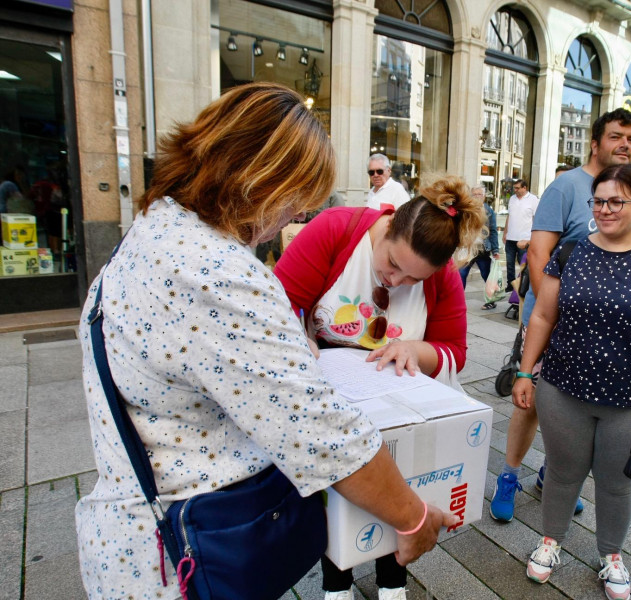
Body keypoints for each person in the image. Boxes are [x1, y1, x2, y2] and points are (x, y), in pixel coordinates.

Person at [75, 83, 455, 600]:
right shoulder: (216, 274)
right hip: (184, 559)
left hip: (134, 534)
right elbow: (319, 433)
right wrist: (412, 518)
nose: (291, 220)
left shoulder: (154, 228)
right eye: (295, 201)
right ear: (263, 182)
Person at [273, 175, 484, 600]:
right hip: (331, 393)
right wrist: (300, 336)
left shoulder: (441, 277)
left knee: (402, 486)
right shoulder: (336, 230)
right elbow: (278, 300)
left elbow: (454, 350)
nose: (396, 282)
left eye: (412, 279)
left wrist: (415, 350)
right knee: (333, 488)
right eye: (391, 264)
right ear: (388, 225)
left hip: (397, 400)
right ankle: (336, 582)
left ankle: (393, 581)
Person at [512, 164, 631, 598]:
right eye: (598, 201)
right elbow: (542, 315)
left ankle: (611, 553)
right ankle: (551, 540)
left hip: (630, 401)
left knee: (616, 483)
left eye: (617, 201)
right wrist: (524, 370)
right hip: (562, 390)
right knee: (561, 472)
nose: (605, 209)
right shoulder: (571, 252)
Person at [490, 109, 631, 522]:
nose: (624, 144)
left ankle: (551, 476)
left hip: (594, 333)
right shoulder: (567, 186)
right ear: (595, 143)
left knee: (571, 407)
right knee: (531, 403)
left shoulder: (627, 191)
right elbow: (538, 254)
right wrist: (549, 315)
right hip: (551, 320)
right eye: (615, 136)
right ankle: (508, 475)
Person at [458, 185, 501, 308]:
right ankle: (458, 301)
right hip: (468, 248)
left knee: (487, 275)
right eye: (474, 194)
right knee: (461, 274)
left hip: (483, 249)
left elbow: (492, 231)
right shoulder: (466, 209)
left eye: (479, 194)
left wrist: (495, 250)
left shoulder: (489, 211)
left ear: (484, 196)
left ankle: (491, 300)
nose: (477, 197)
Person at [502, 179, 539, 291]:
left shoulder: (533, 200)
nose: (515, 190)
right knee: (509, 263)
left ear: (525, 188)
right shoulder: (512, 199)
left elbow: (536, 218)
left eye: (518, 188)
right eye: (514, 188)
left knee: (523, 263)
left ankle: (523, 284)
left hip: (524, 238)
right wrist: (505, 232)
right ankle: (510, 285)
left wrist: (534, 237)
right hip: (511, 237)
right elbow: (509, 216)